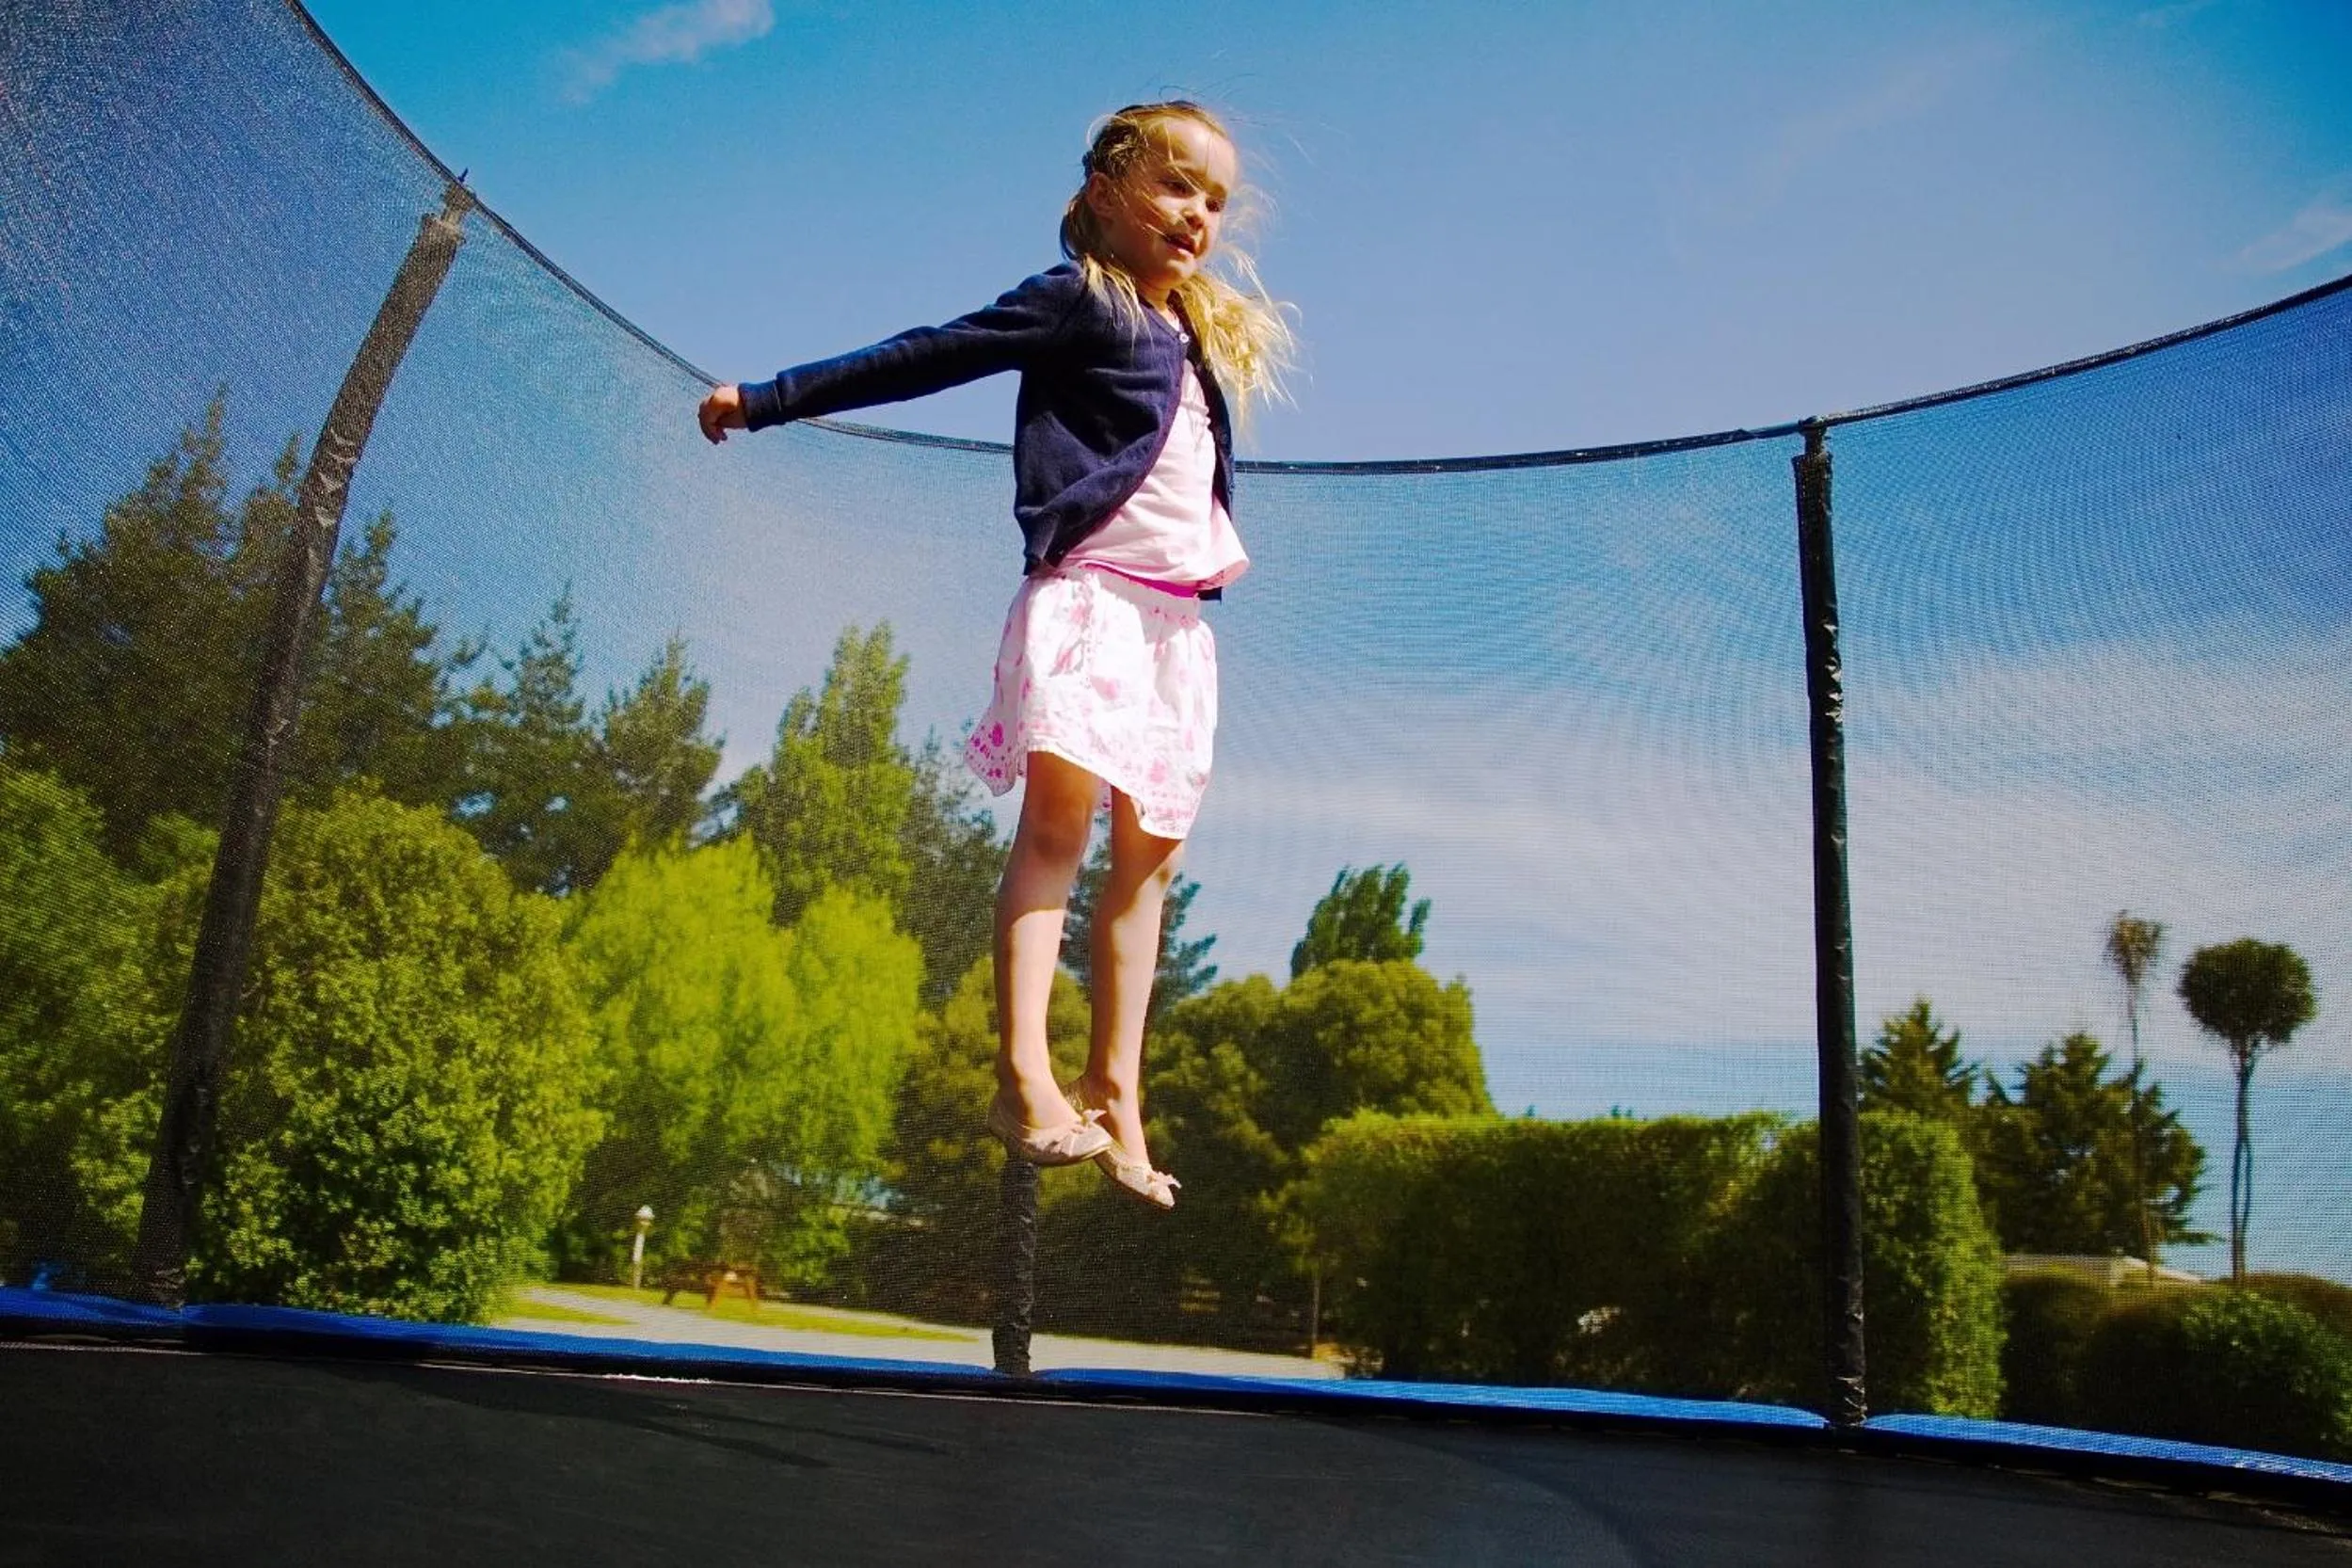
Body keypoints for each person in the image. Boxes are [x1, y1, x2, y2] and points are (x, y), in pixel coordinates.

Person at [698, 102, 1293, 1209]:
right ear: (1107, 192)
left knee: (1149, 869)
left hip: (1176, 633)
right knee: (1058, 831)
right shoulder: (1080, 301)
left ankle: (1116, 1090)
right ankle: (1023, 1075)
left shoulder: (1193, 336)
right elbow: (932, 354)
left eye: (1214, 200)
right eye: (1175, 186)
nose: (1197, 214)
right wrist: (770, 399)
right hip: (1090, 604)